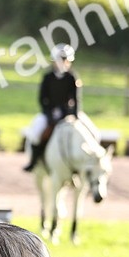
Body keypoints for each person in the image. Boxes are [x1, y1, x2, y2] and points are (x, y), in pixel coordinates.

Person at [23, 44, 82, 172]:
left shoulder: (72, 78)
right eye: (59, 60)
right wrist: (49, 113)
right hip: (49, 113)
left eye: (65, 60)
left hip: (67, 114)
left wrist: (74, 115)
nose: (62, 63)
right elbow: (42, 98)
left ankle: (79, 167)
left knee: (84, 134)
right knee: (36, 133)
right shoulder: (47, 78)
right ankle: (34, 160)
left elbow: (75, 99)